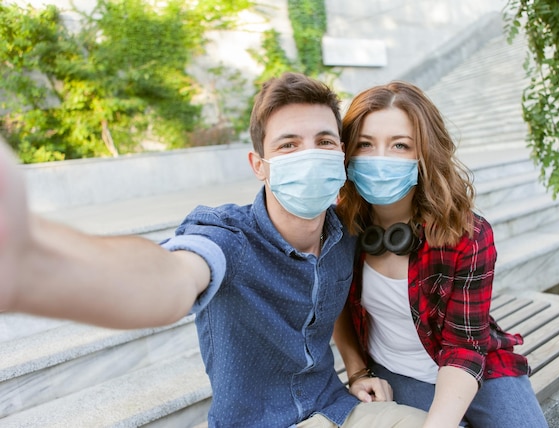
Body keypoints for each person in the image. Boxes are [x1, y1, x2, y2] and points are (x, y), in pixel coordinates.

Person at [0, 73, 429, 427]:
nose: (310, 155)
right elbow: (169, 278)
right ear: (258, 165)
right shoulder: (226, 237)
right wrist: (37, 264)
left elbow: (330, 296)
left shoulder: (343, 232)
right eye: (288, 145)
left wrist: (356, 369)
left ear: (340, 154)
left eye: (324, 141)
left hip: (335, 408)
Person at [332, 81, 549, 428]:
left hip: (473, 365)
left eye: (400, 145)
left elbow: (464, 348)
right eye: (365, 145)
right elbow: (336, 306)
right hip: (396, 373)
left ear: (424, 154)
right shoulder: (341, 224)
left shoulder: (469, 235)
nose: (380, 159)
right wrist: (357, 371)